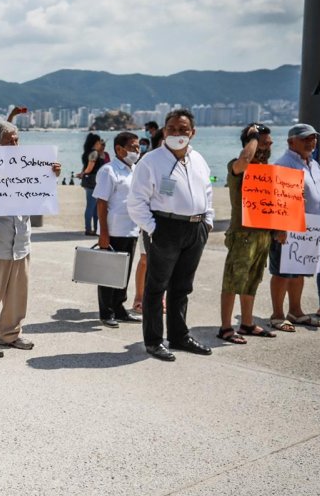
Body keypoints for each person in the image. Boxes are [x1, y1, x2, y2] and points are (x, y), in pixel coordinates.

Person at [126, 109, 214, 362]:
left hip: (195, 229)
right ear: (164, 132)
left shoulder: (198, 159)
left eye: (183, 129)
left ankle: (179, 336)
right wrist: (154, 229)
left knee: (182, 287)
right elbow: (136, 202)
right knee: (156, 287)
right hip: (164, 227)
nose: (177, 133)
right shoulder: (151, 161)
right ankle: (154, 341)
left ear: (192, 133)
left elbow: (207, 191)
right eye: (172, 129)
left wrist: (206, 223)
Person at [0, 120, 61, 357]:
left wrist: (51, 176)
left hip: (22, 240)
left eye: (17, 140)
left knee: (18, 293)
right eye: (11, 141)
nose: (16, 145)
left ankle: (10, 334)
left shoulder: (28, 166)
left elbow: (41, 197)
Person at [268, 124, 320, 332]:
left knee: (300, 269)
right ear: (291, 142)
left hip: (310, 228)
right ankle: (277, 314)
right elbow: (277, 200)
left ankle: (295, 311)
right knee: (282, 272)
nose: (311, 142)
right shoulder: (284, 164)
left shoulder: (314, 165)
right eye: (305, 139)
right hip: (289, 227)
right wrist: (280, 228)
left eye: (313, 138)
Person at [218, 124, 277, 344]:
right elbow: (244, 160)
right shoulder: (237, 165)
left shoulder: (267, 170)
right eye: (264, 141)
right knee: (233, 280)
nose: (269, 144)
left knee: (253, 279)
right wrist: (253, 137)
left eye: (270, 142)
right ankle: (225, 327)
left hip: (263, 233)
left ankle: (247, 322)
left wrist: (278, 228)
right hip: (242, 233)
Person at [92, 131, 143, 328]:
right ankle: (106, 312)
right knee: (108, 274)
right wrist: (103, 233)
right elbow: (101, 203)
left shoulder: (136, 170)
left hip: (131, 229)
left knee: (124, 273)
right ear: (119, 149)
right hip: (113, 230)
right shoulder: (109, 170)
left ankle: (119, 308)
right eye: (133, 147)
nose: (136, 151)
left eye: (138, 147)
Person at [78, 133, 107, 236]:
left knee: (94, 206)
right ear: (95, 142)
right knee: (92, 206)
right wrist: (83, 173)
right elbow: (90, 168)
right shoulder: (94, 153)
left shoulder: (88, 152)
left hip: (90, 181)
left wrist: (82, 174)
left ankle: (95, 228)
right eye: (99, 142)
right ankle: (89, 229)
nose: (100, 143)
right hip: (93, 182)